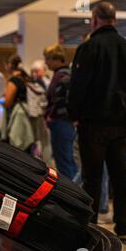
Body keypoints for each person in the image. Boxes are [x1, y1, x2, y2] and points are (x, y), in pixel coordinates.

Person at [67, 2, 126, 240]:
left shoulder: (89, 48)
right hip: (122, 124)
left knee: (92, 176)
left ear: (94, 20)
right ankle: (123, 227)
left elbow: (78, 86)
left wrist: (74, 115)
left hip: (93, 124)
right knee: (120, 175)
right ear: (115, 20)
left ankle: (90, 226)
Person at [43, 44, 77, 180]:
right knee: (68, 160)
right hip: (64, 123)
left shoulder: (61, 76)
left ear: (56, 59)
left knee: (64, 162)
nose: (46, 62)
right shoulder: (64, 74)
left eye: (47, 59)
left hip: (61, 123)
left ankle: (71, 195)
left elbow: (60, 101)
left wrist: (51, 115)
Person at [1, 54, 36, 152]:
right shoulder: (26, 78)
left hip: (19, 115)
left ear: (9, 65)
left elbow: (7, 102)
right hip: (28, 112)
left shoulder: (14, 80)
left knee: (17, 146)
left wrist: (2, 101)